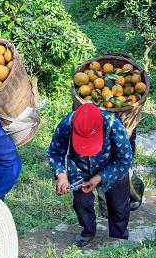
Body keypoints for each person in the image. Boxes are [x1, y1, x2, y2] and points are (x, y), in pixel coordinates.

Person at [47, 103, 133, 247]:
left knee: (118, 205)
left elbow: (125, 159)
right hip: (79, 168)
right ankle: (88, 230)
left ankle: (119, 236)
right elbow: (55, 152)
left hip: (112, 166)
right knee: (81, 203)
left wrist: (99, 178)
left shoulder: (113, 125)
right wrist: (61, 175)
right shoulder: (67, 123)